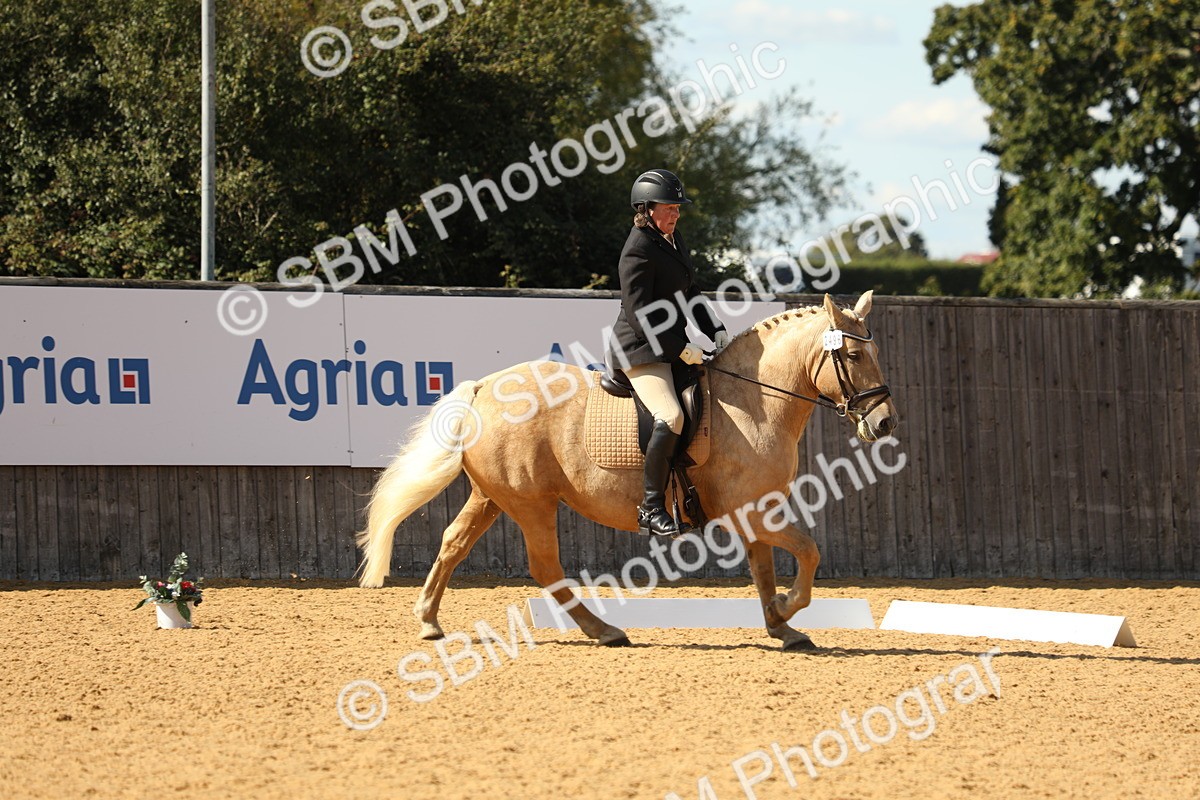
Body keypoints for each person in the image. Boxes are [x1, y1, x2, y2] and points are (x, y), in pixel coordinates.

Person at [606, 169, 729, 537]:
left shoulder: (672, 239)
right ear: (645, 209)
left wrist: (714, 329)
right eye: (669, 208)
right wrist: (681, 348)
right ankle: (650, 507)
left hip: (673, 347)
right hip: (640, 350)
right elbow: (638, 313)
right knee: (671, 415)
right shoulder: (637, 249)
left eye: (678, 208)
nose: (676, 214)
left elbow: (690, 291)